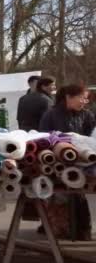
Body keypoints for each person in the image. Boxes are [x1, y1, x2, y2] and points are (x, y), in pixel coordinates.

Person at [39, 84, 95, 241]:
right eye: (82, 98)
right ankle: (62, 231)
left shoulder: (87, 115)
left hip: (83, 164)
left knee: (79, 197)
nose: (84, 102)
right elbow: (43, 138)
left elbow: (91, 138)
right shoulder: (51, 115)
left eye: (86, 99)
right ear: (68, 97)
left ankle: (83, 231)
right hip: (57, 164)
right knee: (59, 198)